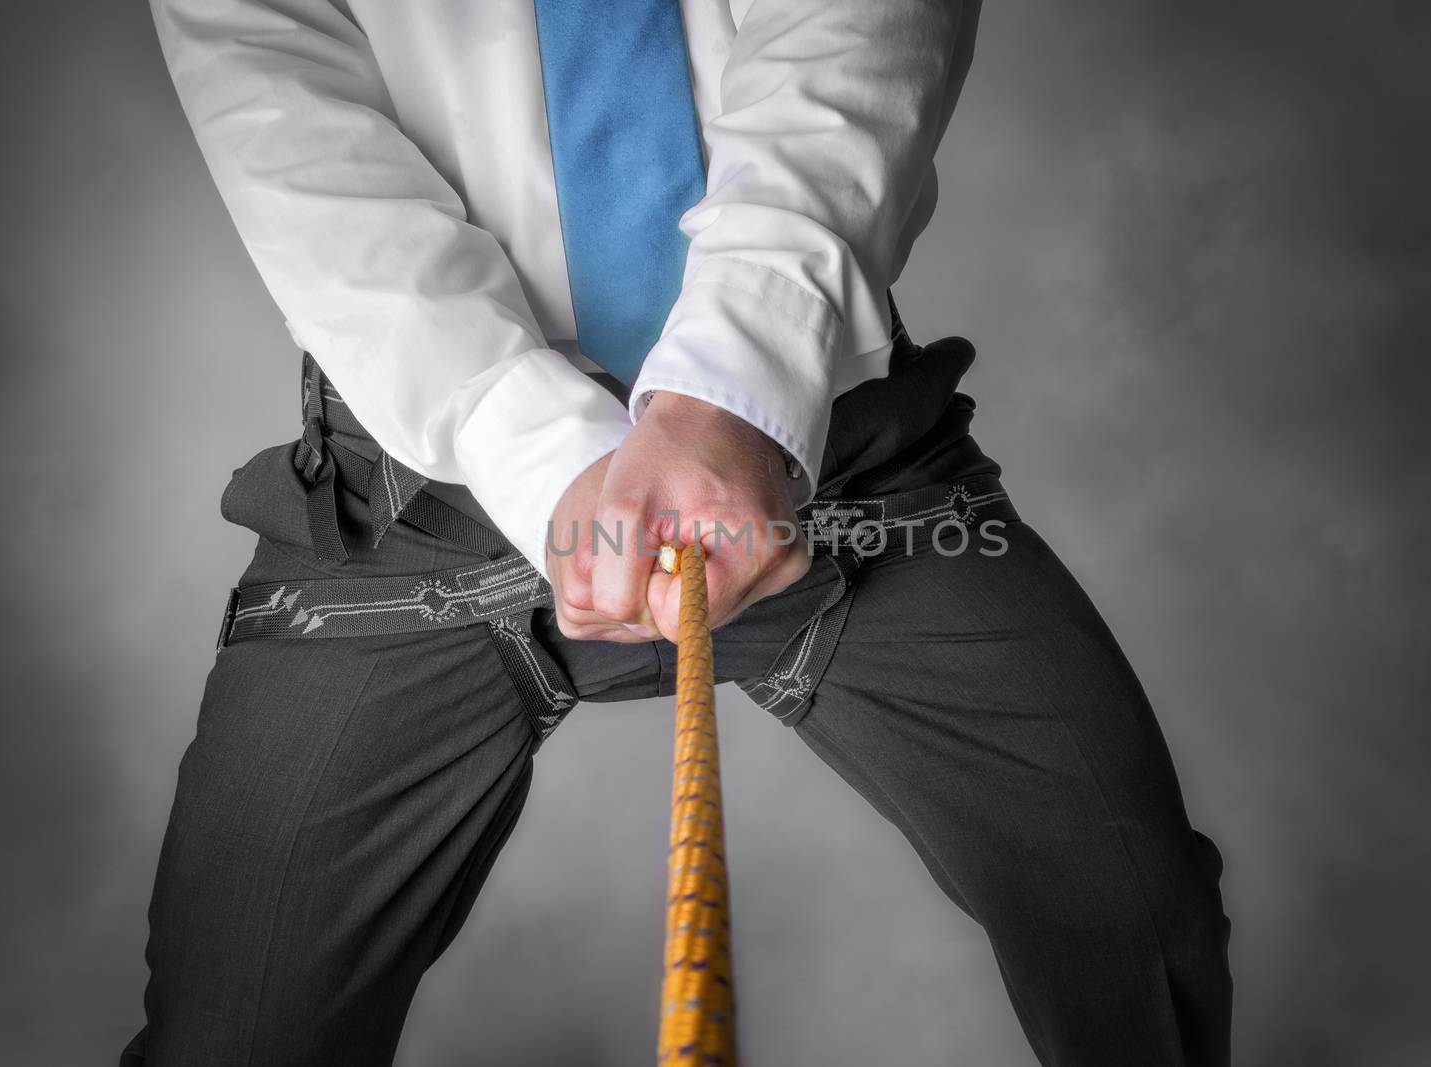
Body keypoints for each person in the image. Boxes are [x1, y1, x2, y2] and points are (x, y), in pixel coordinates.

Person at [125, 0, 1233, 1063]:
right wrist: (551, 458)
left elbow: (854, 35)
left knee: (1138, 931)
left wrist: (729, 396)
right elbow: (304, 163)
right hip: (419, 504)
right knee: (235, 1040)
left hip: (829, 460)